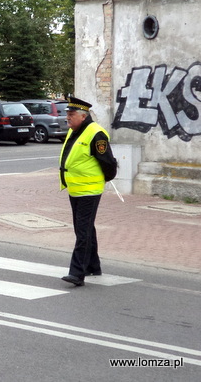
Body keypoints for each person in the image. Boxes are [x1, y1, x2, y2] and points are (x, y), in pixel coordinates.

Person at [59, 97, 118, 287]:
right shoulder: (75, 131)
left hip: (89, 190)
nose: (67, 117)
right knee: (84, 227)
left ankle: (77, 273)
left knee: (82, 230)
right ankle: (93, 265)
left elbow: (108, 163)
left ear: (83, 116)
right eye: (67, 114)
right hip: (76, 189)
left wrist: (104, 179)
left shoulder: (96, 134)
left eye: (71, 114)